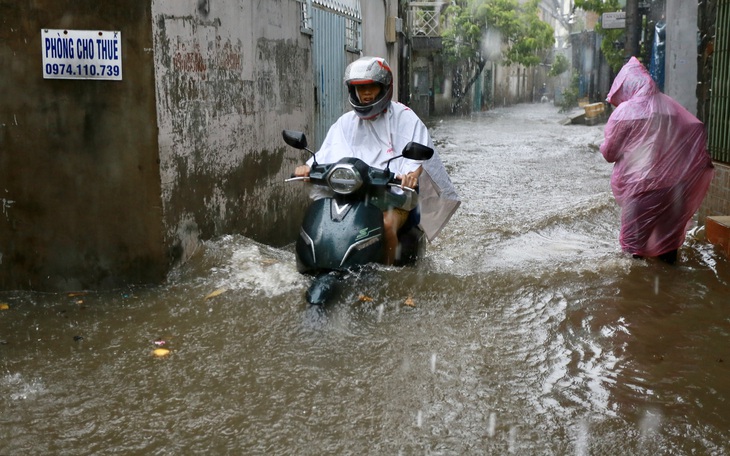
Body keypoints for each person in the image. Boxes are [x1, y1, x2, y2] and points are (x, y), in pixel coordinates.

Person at [293, 56, 458, 265]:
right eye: (361, 89)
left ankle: (386, 275)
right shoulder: (345, 123)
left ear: (384, 88)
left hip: (392, 198)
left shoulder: (405, 118)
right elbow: (326, 153)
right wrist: (306, 169)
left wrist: (410, 176)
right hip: (352, 194)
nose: (366, 94)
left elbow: (417, 160)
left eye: (372, 87)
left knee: (387, 225)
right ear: (353, 91)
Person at [600, 56, 714, 263]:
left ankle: (638, 290)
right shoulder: (670, 107)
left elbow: (609, 153)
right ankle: (668, 289)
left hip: (641, 190)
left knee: (633, 251)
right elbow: (693, 129)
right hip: (675, 190)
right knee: (668, 245)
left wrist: (604, 143)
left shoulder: (625, 112)